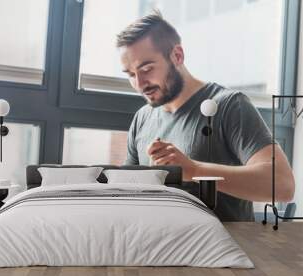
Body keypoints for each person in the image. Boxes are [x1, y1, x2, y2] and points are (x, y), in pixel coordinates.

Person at [117, 11, 295, 221]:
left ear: (177, 56)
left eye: (146, 69)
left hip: (222, 251)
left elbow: (282, 185)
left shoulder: (230, 105)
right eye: (130, 75)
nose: (139, 83)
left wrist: (194, 169)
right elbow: (128, 196)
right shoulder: (142, 118)